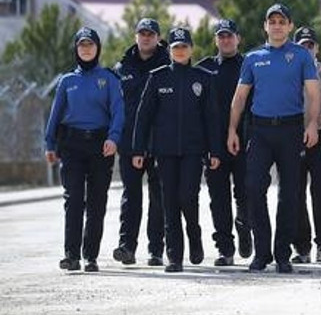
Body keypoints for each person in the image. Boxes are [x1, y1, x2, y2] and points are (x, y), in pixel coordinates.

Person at [227, 3, 320, 273]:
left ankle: (282, 254)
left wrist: (312, 125)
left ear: (290, 26)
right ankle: (262, 252)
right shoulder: (253, 58)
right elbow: (240, 97)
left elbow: (314, 95)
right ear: (265, 26)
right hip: (260, 131)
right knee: (254, 188)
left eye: (282, 21)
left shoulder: (302, 56)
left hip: (291, 131)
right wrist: (232, 130)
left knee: (290, 193)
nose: (277, 25)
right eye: (272, 21)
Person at [133, 26, 222, 272]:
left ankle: (194, 236)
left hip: (194, 151)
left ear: (191, 49)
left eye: (184, 47)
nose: (180, 51)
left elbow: (212, 119)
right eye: (175, 47)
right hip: (165, 151)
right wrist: (138, 150)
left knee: (187, 198)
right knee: (169, 201)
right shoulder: (158, 78)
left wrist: (215, 151)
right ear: (170, 51)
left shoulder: (203, 78)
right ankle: (174, 256)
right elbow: (144, 117)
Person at [45, 27, 124, 272]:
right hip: (72, 146)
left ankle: (90, 256)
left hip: (101, 145)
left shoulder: (109, 78)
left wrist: (113, 138)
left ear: (97, 48)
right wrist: (50, 144)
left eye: (90, 44)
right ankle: (71, 255)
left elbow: (118, 112)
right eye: (82, 45)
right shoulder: (67, 81)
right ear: (76, 49)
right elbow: (55, 115)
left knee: (97, 202)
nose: (86, 48)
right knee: (74, 200)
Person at [113, 18, 169, 267]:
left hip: (159, 143)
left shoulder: (168, 66)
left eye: (151, 34)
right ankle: (127, 246)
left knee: (158, 198)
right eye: (142, 33)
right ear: (136, 36)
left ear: (158, 38)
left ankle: (156, 249)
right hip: (129, 143)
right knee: (131, 196)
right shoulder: (122, 68)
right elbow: (114, 107)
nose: (146, 37)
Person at [196, 18, 252, 266]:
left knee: (247, 194)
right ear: (216, 40)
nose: (226, 40)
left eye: (230, 35)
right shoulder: (204, 69)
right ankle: (225, 249)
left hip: (246, 141)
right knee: (218, 198)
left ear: (238, 38)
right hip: (214, 144)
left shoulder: (250, 65)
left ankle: (244, 225)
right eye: (221, 36)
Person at [291, 26, 321, 264]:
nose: (307, 49)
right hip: (293, 138)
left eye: (310, 45)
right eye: (302, 45)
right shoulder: (287, 71)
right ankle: (301, 247)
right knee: (294, 193)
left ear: (317, 48)